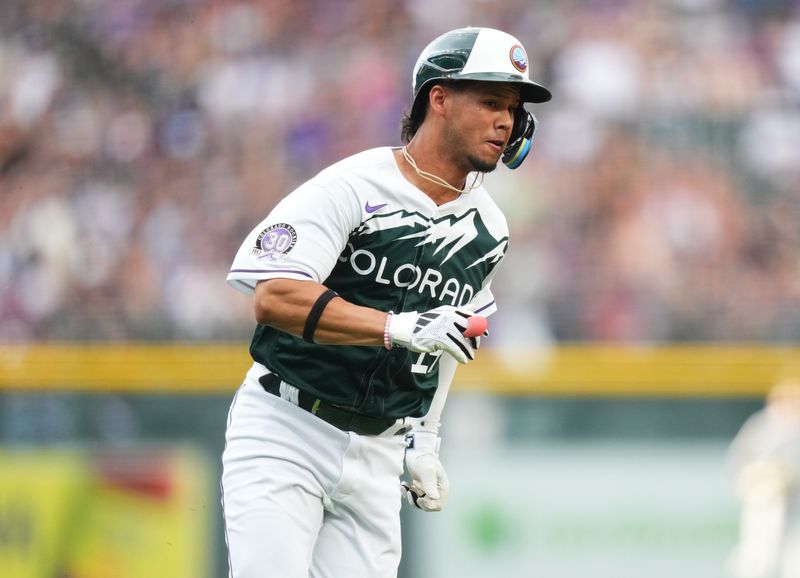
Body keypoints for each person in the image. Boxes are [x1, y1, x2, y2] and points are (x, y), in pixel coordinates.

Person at [220, 26, 551, 578]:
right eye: (491, 101)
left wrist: (426, 438)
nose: (506, 121)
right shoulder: (354, 184)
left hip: (379, 452)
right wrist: (396, 327)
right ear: (438, 99)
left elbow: (452, 339)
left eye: (514, 109)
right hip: (288, 426)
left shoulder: (490, 228)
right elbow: (274, 295)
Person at [728, 380, 800, 578]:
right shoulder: (760, 426)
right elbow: (740, 460)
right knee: (758, 554)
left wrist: (789, 475)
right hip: (765, 501)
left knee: (795, 558)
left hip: (796, 502)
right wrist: (756, 478)